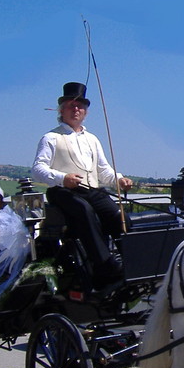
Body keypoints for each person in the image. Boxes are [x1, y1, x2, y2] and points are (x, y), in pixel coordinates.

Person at [31, 82, 133, 287]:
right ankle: (105, 266)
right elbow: (37, 169)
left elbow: (103, 170)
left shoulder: (92, 139)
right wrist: (62, 178)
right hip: (62, 192)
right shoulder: (51, 138)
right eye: (71, 105)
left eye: (80, 106)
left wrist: (119, 180)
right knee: (84, 211)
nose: (76, 109)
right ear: (61, 110)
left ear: (85, 112)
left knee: (117, 213)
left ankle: (133, 260)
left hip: (91, 190)